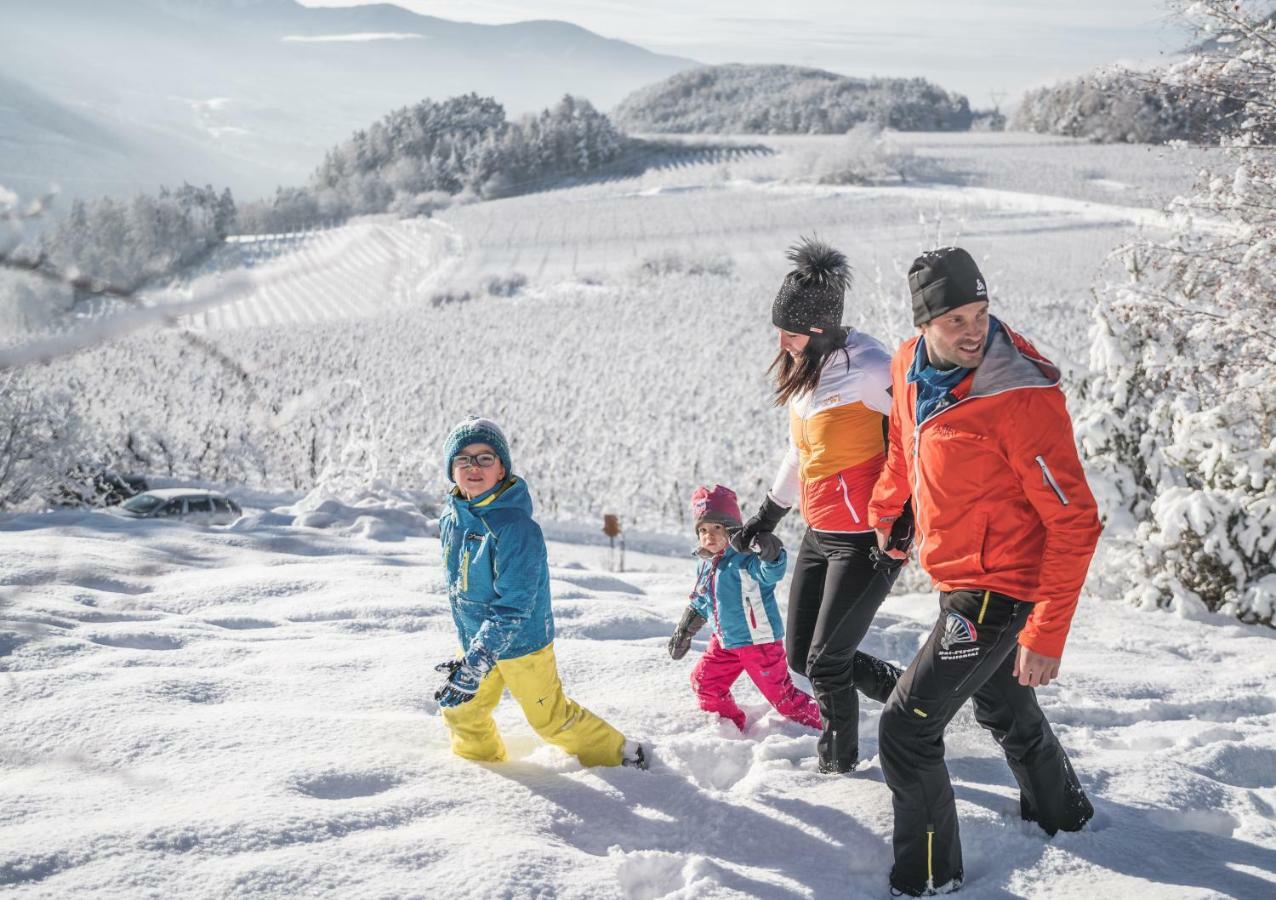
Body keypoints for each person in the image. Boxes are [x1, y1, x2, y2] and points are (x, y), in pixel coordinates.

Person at [868, 247, 1101, 896]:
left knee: (906, 730)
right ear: (924, 325)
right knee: (1002, 705)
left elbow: (1076, 520)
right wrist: (889, 511)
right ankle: (1066, 815)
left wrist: (1047, 634)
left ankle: (928, 880)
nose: (974, 331)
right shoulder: (909, 364)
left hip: (1002, 588)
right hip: (959, 574)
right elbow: (905, 446)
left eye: (981, 313)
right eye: (956, 321)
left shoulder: (1017, 394)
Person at [732, 236, 913, 774]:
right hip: (820, 531)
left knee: (827, 662)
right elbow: (801, 451)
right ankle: (914, 695)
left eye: (788, 332)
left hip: (866, 539)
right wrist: (768, 514)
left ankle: (839, 766)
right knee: (801, 656)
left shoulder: (872, 368)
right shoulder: (813, 371)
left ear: (816, 328)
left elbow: (922, 439)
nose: (780, 341)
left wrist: (905, 516)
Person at [434, 416, 648, 770]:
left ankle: (621, 755)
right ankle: (481, 775)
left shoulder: (516, 528)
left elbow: (514, 606)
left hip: (521, 644)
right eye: (463, 459)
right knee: (462, 710)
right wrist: (473, 652)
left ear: (502, 469)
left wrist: (479, 660)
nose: (474, 467)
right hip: (475, 640)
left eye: (485, 458)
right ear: (451, 470)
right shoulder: (452, 517)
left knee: (549, 718)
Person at [668, 484, 821, 732]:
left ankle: (834, 724)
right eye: (703, 530)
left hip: (758, 642)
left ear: (731, 528)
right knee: (704, 683)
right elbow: (701, 600)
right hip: (724, 642)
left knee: (784, 699)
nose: (709, 535)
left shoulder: (747, 558)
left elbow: (770, 573)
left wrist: (771, 553)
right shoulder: (705, 563)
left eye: (717, 528)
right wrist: (684, 630)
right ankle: (729, 726)